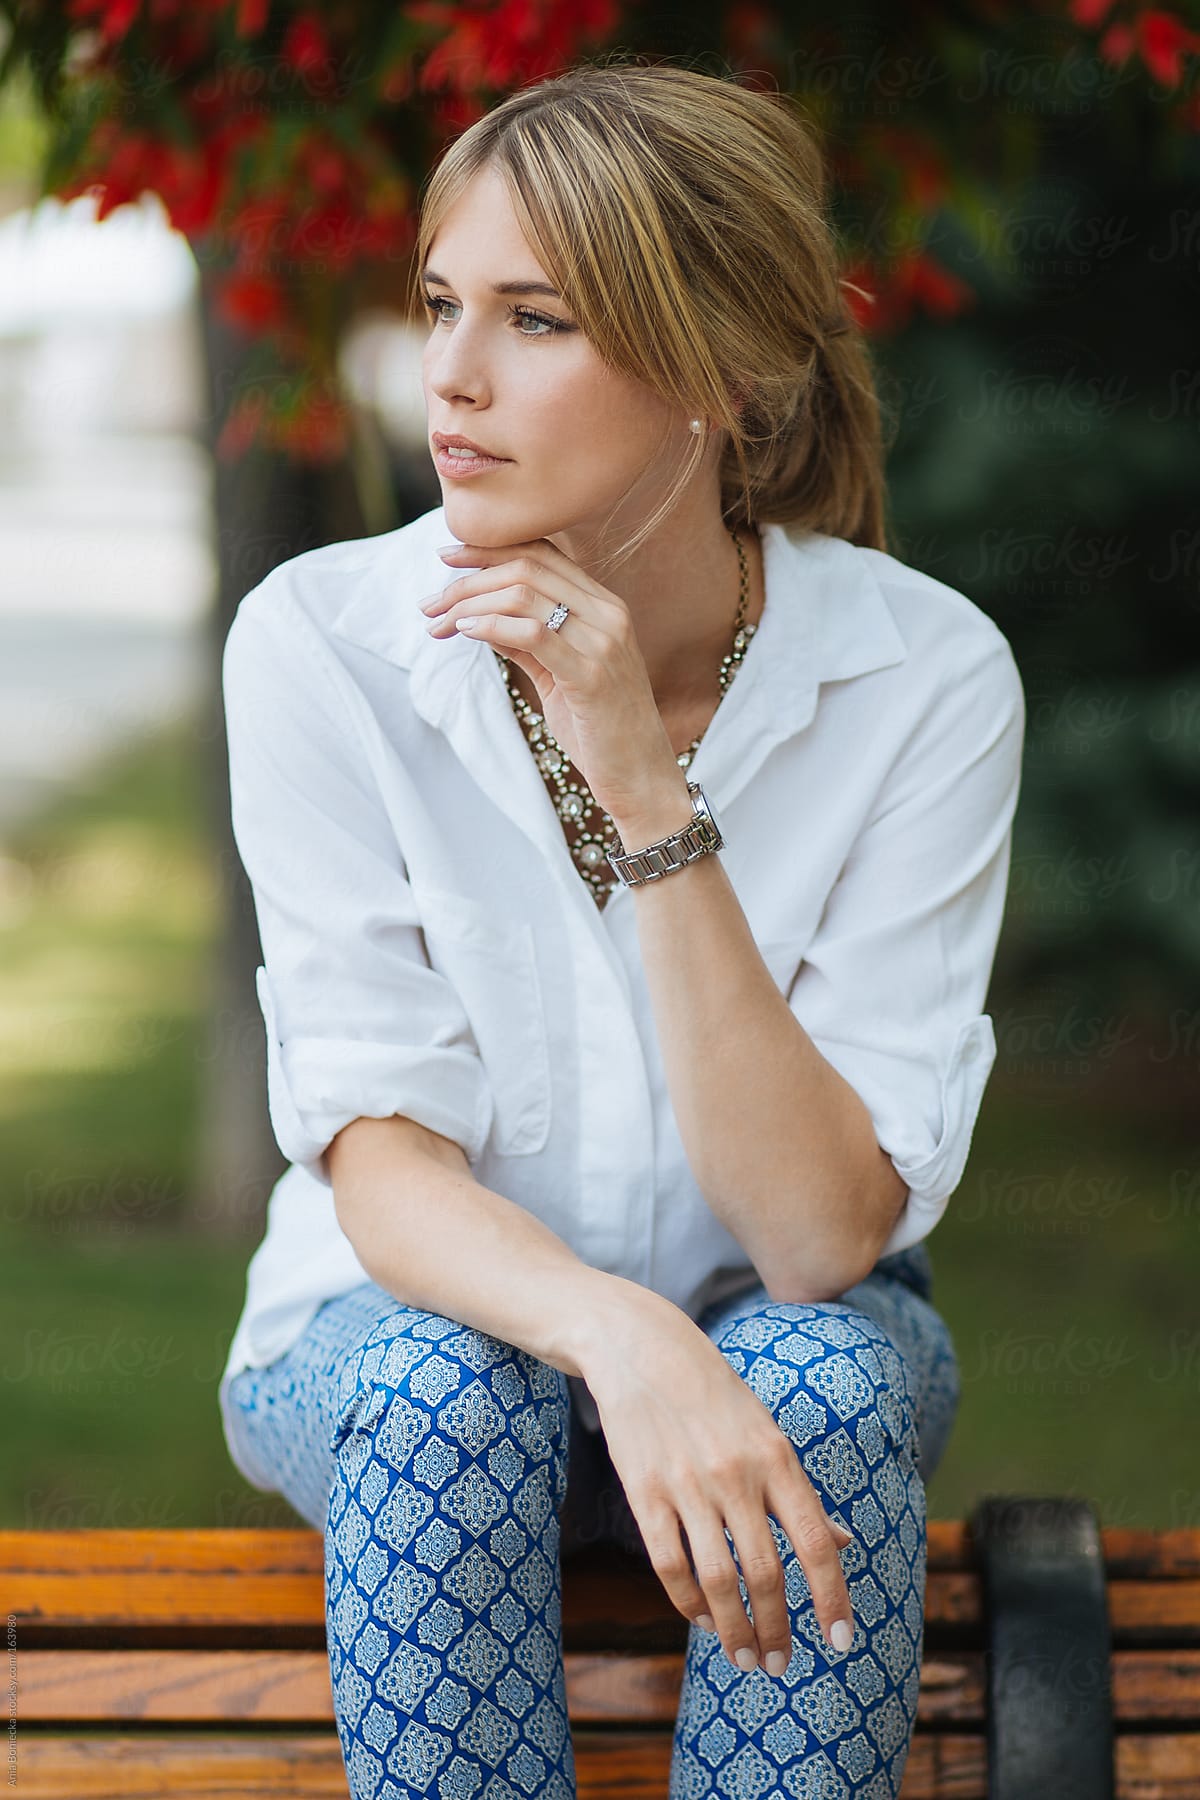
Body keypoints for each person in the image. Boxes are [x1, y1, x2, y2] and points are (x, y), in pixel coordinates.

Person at [218, 57, 1024, 1800]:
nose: (451, 373)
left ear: (719, 373)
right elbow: (379, 1158)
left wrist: (648, 789)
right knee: (449, 1401)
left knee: (811, 1369)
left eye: (537, 319)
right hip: (396, 1354)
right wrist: (621, 1333)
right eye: (441, 303)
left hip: (778, 1357)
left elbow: (818, 1236)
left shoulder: (925, 677)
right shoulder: (325, 643)